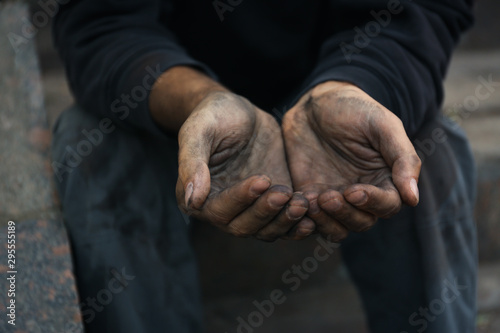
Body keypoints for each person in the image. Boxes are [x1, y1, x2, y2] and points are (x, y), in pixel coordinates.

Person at [51, 0, 477, 332]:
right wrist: (199, 101)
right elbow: (102, 23)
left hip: (338, 83)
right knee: (91, 149)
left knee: (429, 152)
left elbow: (419, 11)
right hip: (178, 97)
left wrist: (352, 86)